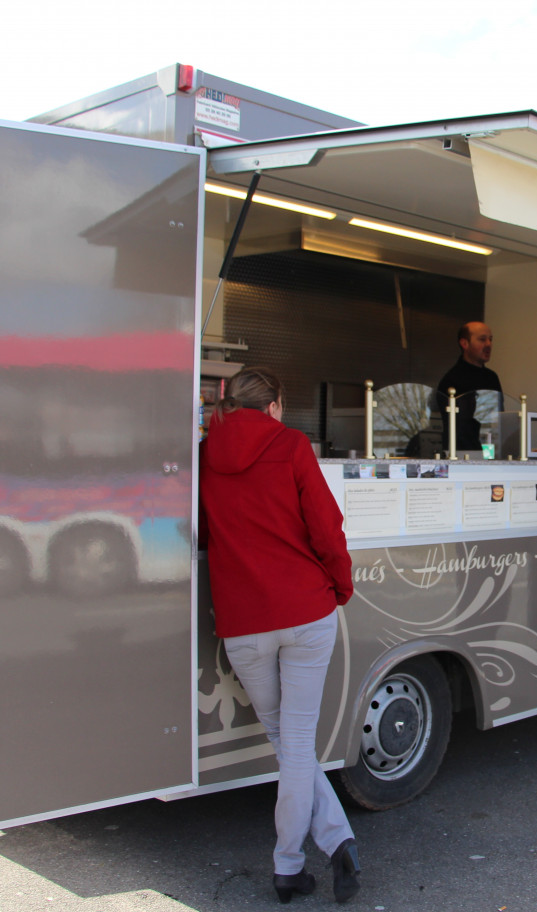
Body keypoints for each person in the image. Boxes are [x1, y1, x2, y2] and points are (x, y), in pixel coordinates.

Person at [199, 367, 362, 903]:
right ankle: (295, 862)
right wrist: (341, 586)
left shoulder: (204, 456)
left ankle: (327, 849)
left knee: (284, 740)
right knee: (296, 745)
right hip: (304, 612)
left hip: (244, 623)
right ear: (273, 405)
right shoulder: (290, 444)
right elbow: (325, 525)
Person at [436, 321, 502, 453]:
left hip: (490, 451)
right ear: (465, 343)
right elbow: (457, 428)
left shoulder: (492, 377)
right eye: (482, 339)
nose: (489, 344)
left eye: (490, 340)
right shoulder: (452, 380)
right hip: (462, 454)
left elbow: (499, 419)